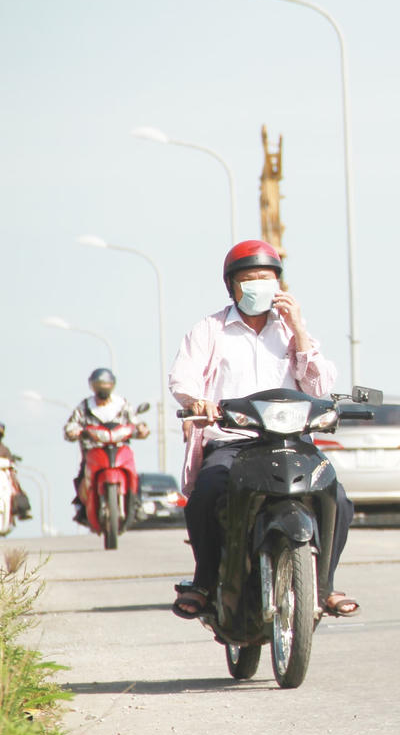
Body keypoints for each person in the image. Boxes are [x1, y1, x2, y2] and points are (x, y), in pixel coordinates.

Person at [167, 239, 359, 619]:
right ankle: (204, 581)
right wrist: (196, 403)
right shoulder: (210, 329)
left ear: (280, 285)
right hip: (232, 442)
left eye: (266, 278)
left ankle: (324, 586)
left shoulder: (290, 331)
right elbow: (183, 379)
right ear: (232, 287)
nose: (258, 285)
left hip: (290, 441)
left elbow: (319, 388)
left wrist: (299, 329)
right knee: (205, 493)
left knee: (338, 498)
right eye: (249, 278)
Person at [63, 369, 150, 525]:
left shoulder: (121, 404)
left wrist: (142, 428)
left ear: (112, 385)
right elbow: (71, 425)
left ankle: (137, 504)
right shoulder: (85, 406)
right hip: (94, 449)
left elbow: (135, 422)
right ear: (92, 386)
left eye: (106, 385)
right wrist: (74, 432)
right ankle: (82, 507)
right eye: (99, 385)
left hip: (119, 447)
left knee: (135, 473)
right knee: (83, 474)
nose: (103, 389)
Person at [0, 421, 33, 521]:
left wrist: (12, 462)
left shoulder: (4, 449)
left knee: (15, 486)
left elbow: (10, 461)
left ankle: (22, 510)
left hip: (3, 475)